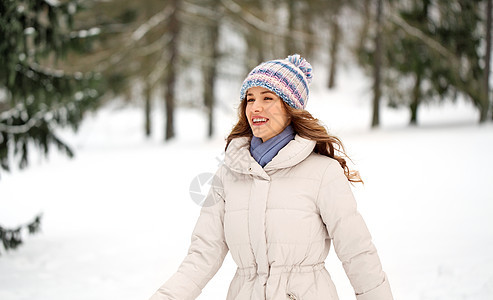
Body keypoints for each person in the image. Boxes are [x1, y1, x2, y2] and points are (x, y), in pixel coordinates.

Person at [149, 54, 393, 300]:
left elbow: (357, 251)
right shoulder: (228, 174)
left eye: (268, 98)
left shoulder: (323, 173)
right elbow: (203, 254)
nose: (255, 107)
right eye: (250, 99)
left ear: (290, 109)